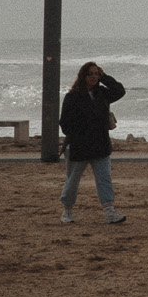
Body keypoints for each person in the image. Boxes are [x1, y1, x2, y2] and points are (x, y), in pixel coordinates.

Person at [59, 60, 127, 224]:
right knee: (72, 181)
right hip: (79, 146)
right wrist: (79, 134)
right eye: (91, 74)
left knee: (104, 179)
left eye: (96, 74)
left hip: (100, 145)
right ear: (83, 76)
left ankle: (109, 212)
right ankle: (67, 211)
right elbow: (65, 123)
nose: (94, 77)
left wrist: (105, 77)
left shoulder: (102, 93)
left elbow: (120, 90)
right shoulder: (73, 96)